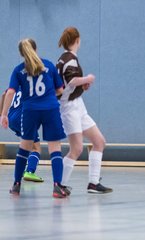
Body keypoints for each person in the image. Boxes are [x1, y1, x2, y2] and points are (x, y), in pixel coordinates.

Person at [1, 38, 68, 198]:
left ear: (22, 54)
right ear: (36, 49)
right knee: (55, 148)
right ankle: (57, 186)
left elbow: (9, 92)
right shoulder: (49, 65)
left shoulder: (18, 70)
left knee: (25, 147)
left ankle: (17, 185)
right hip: (50, 109)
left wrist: (4, 114)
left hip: (30, 110)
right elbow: (60, 90)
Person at [57, 26, 112, 194]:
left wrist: (83, 85)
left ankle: (93, 183)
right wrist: (87, 78)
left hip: (78, 105)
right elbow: (72, 81)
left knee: (99, 141)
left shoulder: (66, 58)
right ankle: (60, 185)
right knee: (77, 149)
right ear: (78, 40)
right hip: (69, 108)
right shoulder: (69, 59)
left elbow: (69, 83)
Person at [1, 90, 43, 182]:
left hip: (11, 119)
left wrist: (2, 114)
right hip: (24, 118)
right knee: (36, 148)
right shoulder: (34, 84)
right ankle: (30, 172)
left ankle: (22, 171)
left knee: (27, 146)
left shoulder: (17, 83)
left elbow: (4, 94)